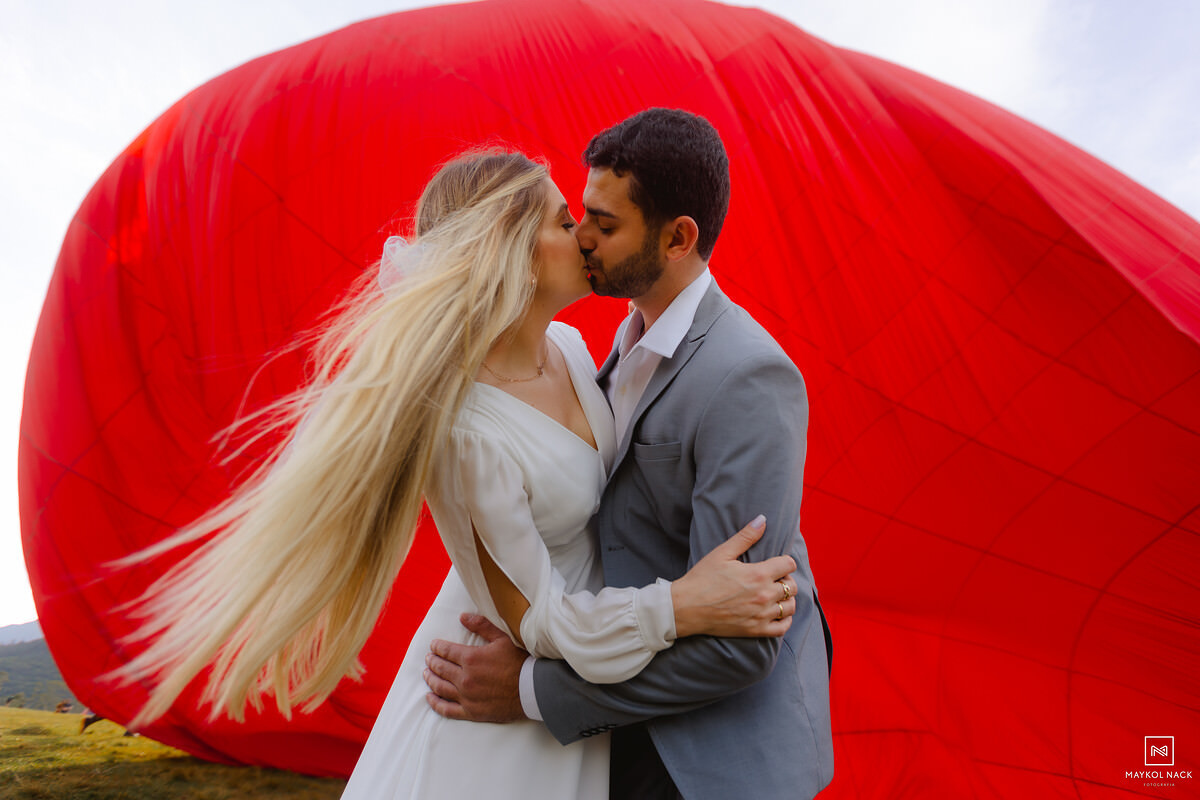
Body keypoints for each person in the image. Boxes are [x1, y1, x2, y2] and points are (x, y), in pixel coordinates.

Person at [114, 150, 800, 799]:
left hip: (582, 686)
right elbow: (542, 620)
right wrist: (682, 605)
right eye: (566, 222)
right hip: (497, 706)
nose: (587, 238)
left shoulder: (568, 347)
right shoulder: (470, 429)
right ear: (512, 251)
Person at [424, 109, 835, 799]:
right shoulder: (602, 346)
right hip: (615, 729)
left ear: (678, 238)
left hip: (709, 762)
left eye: (605, 225)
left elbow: (742, 642)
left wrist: (532, 690)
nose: (582, 237)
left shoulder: (748, 377)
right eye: (580, 214)